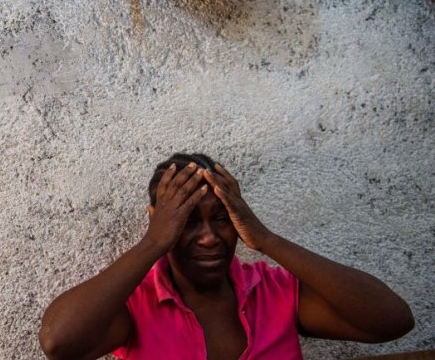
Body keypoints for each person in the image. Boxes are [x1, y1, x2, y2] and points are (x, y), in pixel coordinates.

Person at [38, 153, 414, 360]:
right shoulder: (135, 305)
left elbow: (391, 321)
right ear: (160, 223)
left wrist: (265, 239)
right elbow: (59, 342)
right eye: (186, 222)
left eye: (221, 219)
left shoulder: (273, 292)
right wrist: (153, 243)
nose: (207, 238)